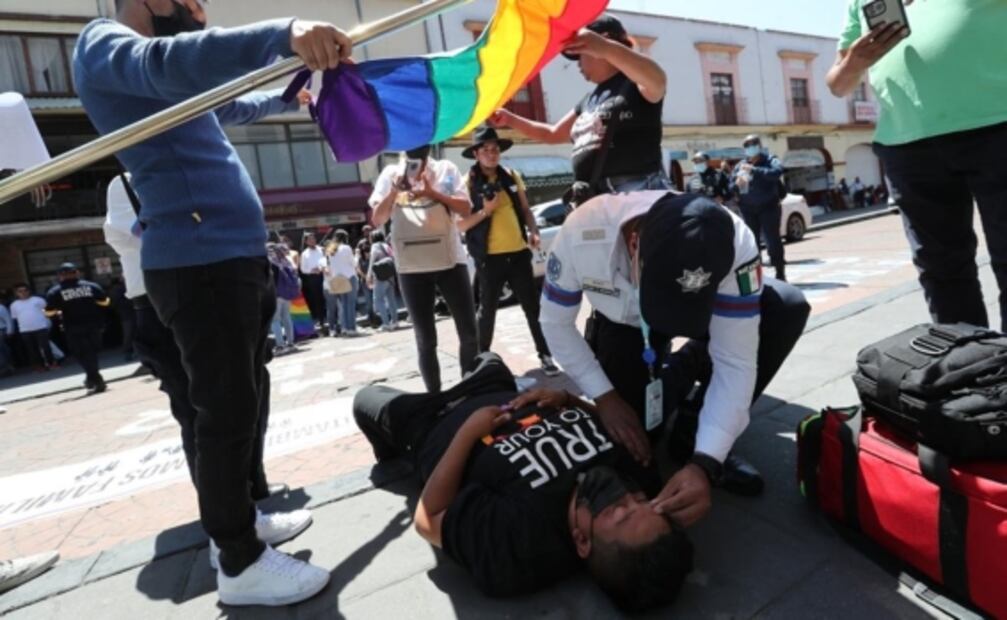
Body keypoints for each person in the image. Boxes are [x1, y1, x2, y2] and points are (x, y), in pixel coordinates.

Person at [73, 0, 349, 604]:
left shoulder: (163, 82)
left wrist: (289, 95)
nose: (200, 11)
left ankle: (243, 521)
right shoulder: (106, 45)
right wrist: (284, 34)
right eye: (190, 0)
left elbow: (228, 105)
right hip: (198, 262)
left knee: (243, 401)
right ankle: (239, 560)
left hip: (230, 256)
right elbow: (167, 62)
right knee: (221, 414)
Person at [540, 192, 810, 521]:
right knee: (633, 441)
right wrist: (605, 396)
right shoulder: (581, 231)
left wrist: (707, 461)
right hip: (625, 324)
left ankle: (694, 422)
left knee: (785, 308)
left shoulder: (737, 242)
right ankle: (691, 361)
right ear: (634, 242)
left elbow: (735, 361)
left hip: (711, 316)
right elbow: (555, 324)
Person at [353, 353, 694, 613]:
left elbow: (429, 519)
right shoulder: (640, 476)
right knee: (485, 356)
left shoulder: (520, 543)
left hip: (429, 421)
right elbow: (609, 422)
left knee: (365, 398)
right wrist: (567, 401)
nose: (627, 496)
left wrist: (467, 433)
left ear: (582, 543)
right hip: (495, 388)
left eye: (618, 512)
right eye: (641, 502)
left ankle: (389, 456)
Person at [105, 173, 309, 571]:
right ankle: (230, 534)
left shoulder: (192, 170)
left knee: (244, 406)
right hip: (164, 302)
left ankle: (248, 507)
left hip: (219, 296)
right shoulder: (131, 177)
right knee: (201, 415)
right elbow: (146, 233)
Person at [827, 1, 1007, 331]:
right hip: (907, 142)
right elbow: (838, 84)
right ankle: (969, 373)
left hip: (998, 125)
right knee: (941, 272)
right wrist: (856, 61)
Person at [490, 15, 669, 195]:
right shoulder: (588, 100)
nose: (578, 64)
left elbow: (658, 79)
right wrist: (509, 119)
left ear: (600, 43)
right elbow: (552, 134)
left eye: (579, 55)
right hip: (597, 196)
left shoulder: (634, 83)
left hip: (637, 192)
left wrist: (606, 48)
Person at [369, 145, 478, 393]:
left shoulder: (445, 170)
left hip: (450, 260)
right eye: (411, 156)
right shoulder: (390, 174)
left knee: (469, 332)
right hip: (411, 266)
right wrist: (395, 191)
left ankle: (470, 389)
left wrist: (432, 192)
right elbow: (377, 219)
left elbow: (465, 208)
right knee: (425, 339)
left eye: (422, 156)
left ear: (429, 153)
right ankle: (435, 398)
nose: (417, 161)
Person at [457, 126, 560, 376]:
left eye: (495, 150)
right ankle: (481, 363)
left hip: (518, 253)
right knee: (487, 311)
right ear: (476, 154)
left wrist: (533, 230)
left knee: (532, 307)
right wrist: (486, 211)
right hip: (488, 258)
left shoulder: (511, 176)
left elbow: (525, 210)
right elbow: (460, 224)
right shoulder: (467, 182)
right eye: (486, 150)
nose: (492, 154)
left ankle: (545, 355)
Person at [44, 263, 110, 394]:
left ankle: (95, 379)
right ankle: (93, 379)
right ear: (77, 273)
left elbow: (49, 313)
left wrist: (57, 311)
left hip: (73, 327)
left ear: (60, 276)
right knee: (92, 353)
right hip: (94, 325)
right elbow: (105, 302)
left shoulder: (55, 291)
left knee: (81, 354)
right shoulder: (92, 286)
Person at [730, 135, 787, 281]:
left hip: (769, 207)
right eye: (747, 145)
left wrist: (754, 170)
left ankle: (780, 272)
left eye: (753, 144)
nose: (750, 147)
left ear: (760, 145)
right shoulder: (739, 165)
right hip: (748, 209)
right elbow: (730, 187)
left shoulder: (770, 160)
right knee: (751, 244)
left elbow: (777, 172)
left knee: (772, 241)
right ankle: (757, 276)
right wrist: (736, 185)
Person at [10, 284, 55, 371]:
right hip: (25, 330)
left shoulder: (38, 300)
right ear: (16, 293)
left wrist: (48, 322)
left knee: (45, 347)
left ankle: (52, 363)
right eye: (20, 291)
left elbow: (48, 310)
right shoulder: (14, 305)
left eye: (25, 290)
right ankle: (40, 366)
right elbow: (15, 318)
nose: (23, 293)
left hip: (41, 327)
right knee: (32, 349)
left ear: (29, 291)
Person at [267, 241, 300, 354]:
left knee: (275, 320)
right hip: (287, 293)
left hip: (275, 294)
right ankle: (291, 343)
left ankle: (280, 346)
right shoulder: (285, 260)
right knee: (287, 317)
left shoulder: (269, 262)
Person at [325, 230, 359, 337]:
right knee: (351, 304)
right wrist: (357, 255)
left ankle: (345, 328)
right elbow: (354, 263)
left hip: (338, 279)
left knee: (344, 305)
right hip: (349, 277)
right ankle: (351, 328)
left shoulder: (330, 249)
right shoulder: (346, 248)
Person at [367, 230, 399, 331]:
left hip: (380, 277)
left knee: (378, 300)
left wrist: (368, 275)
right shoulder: (386, 245)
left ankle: (385, 323)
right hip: (390, 276)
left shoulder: (375, 246)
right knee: (391, 299)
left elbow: (372, 260)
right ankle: (395, 321)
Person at [299, 233, 327, 334]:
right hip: (313, 278)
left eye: (313, 238)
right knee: (317, 298)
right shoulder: (304, 254)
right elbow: (303, 269)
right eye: (310, 239)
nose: (312, 240)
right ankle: (321, 320)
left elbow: (327, 261)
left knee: (328, 297)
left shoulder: (321, 249)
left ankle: (332, 317)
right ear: (306, 242)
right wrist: (312, 270)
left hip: (325, 275)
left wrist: (321, 268)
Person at [108, 276, 136, 361]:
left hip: (125, 314)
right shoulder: (119, 289)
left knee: (129, 333)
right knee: (130, 333)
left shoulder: (114, 290)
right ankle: (128, 353)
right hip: (128, 313)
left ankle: (129, 352)